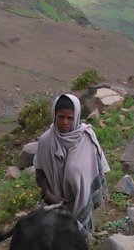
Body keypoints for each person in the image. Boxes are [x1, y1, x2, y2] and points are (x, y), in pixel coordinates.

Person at [33, 92, 111, 233]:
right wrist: (50, 196)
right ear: (54, 115)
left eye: (70, 118)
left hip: (82, 201)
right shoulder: (45, 141)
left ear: (76, 118)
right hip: (55, 204)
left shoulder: (86, 138)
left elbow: (95, 171)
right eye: (61, 117)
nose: (65, 122)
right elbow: (40, 173)